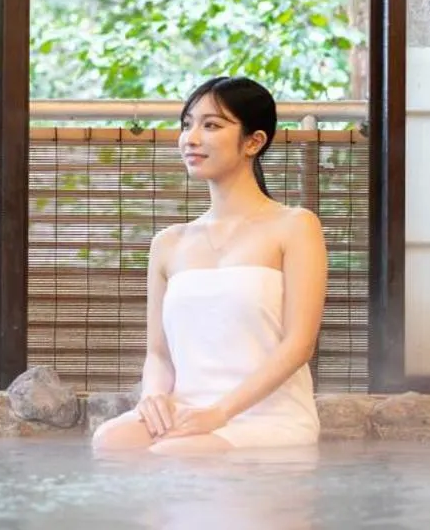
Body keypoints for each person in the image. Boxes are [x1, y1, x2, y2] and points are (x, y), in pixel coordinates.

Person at [91, 76, 325, 456]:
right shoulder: (168, 243)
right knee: (111, 442)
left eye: (211, 125)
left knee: (173, 454)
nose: (191, 138)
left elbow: (299, 345)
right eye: (187, 124)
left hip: (266, 415)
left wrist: (219, 413)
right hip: (188, 412)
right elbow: (159, 355)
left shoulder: (295, 226)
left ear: (254, 141)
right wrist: (153, 398)